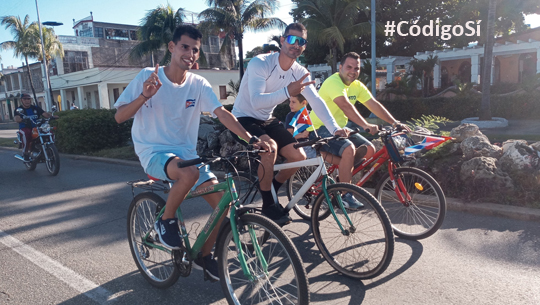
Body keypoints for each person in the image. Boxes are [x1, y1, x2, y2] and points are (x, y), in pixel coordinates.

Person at [114, 25, 269, 282]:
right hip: (153, 151)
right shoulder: (148, 76)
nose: (190, 53)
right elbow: (119, 116)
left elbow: (221, 113)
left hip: (187, 155)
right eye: (185, 47)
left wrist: (250, 138)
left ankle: (203, 256)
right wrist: (144, 95)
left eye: (195, 50)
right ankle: (166, 219)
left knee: (224, 204)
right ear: (172, 47)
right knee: (188, 173)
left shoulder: (198, 84)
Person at [231, 22, 347, 223]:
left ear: (304, 46)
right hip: (243, 118)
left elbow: (316, 101)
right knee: (270, 148)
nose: (296, 44)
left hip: (266, 119)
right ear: (282, 41)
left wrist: (335, 129)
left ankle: (270, 189)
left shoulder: (299, 72)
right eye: (292, 39)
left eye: (301, 41)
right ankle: (268, 205)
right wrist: (287, 91)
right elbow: (257, 101)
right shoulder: (260, 62)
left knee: (298, 156)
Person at [308, 51, 411, 208]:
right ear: (340, 67)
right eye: (349, 67)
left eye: (356, 68)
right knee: (349, 149)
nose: (353, 71)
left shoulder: (356, 86)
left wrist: (395, 122)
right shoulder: (333, 82)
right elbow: (345, 105)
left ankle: (341, 178)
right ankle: (345, 194)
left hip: (340, 128)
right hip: (319, 128)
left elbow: (374, 105)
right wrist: (366, 125)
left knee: (370, 149)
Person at [14, 93, 58, 161]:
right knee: (26, 134)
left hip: (37, 127)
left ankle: (50, 149)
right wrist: (21, 119)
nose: (27, 101)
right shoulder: (19, 109)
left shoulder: (36, 108)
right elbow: (16, 118)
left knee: (49, 132)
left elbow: (45, 114)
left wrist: (52, 116)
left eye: (28, 99)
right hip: (25, 127)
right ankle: (25, 153)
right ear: (21, 100)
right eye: (25, 99)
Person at [283, 94, 315, 158]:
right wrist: (302, 135)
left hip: (312, 144)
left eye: (293, 102)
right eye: (290, 102)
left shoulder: (311, 114)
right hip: (299, 144)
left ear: (303, 103)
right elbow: (289, 135)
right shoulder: (291, 116)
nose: (290, 104)